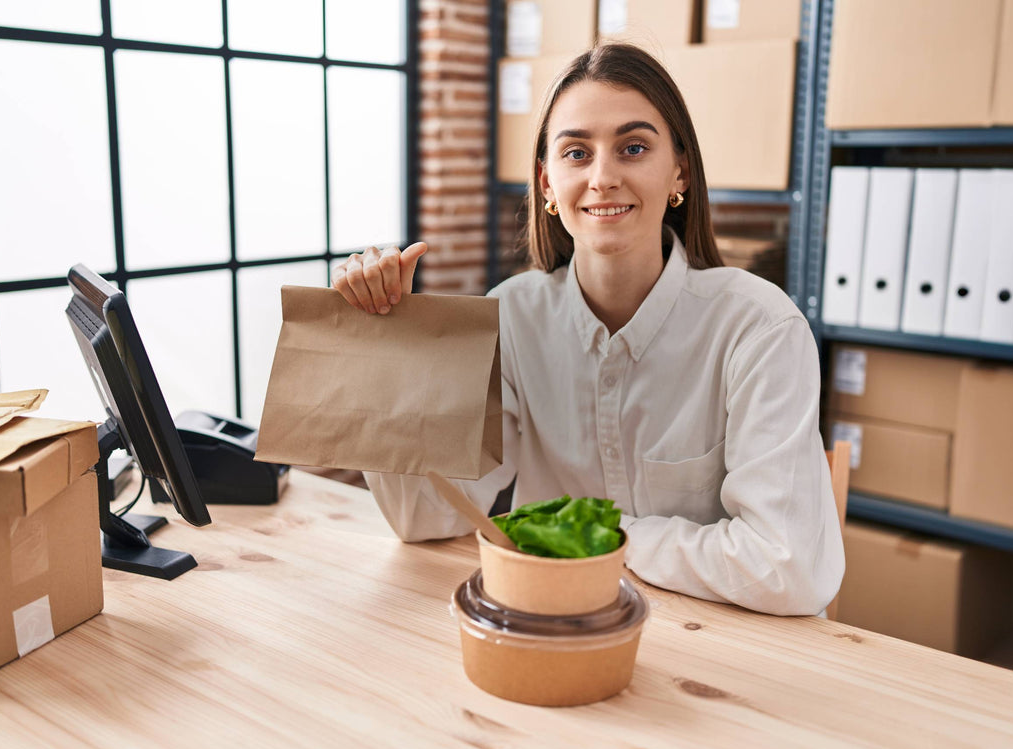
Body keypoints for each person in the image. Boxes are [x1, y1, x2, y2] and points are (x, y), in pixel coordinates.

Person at [331, 43, 843, 616]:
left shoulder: (759, 326)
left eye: (633, 147)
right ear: (547, 185)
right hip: (559, 627)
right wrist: (378, 347)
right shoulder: (513, 316)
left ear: (680, 170)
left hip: (728, 648)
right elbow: (427, 516)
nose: (603, 178)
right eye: (577, 152)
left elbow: (787, 568)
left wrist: (591, 535)